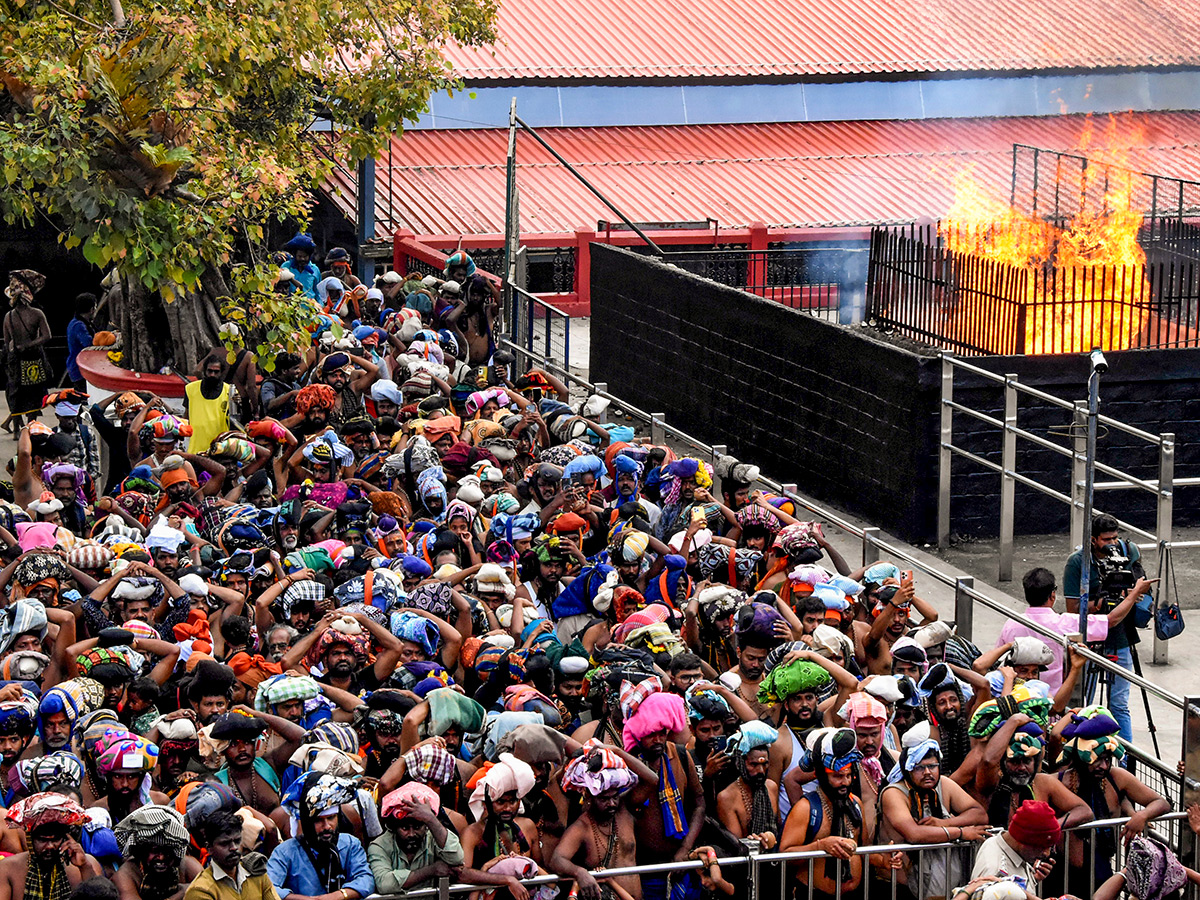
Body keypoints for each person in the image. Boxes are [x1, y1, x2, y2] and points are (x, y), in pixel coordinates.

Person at [1063, 514, 1157, 744]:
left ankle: (1124, 761)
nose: (1113, 545)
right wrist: (1101, 605)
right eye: (1107, 540)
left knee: (1119, 705)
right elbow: (1073, 609)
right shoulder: (1078, 562)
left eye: (1115, 538)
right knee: (1085, 702)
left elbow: (1141, 591)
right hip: (1091, 640)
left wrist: (1131, 596)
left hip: (1122, 637)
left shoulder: (1129, 551)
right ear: (1094, 540)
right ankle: (1082, 752)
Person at [878, 726, 988, 900]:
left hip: (944, 886)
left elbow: (979, 814)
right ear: (908, 769)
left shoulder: (943, 783)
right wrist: (961, 832)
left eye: (932, 766)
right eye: (919, 768)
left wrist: (944, 823)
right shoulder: (894, 793)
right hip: (899, 887)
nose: (927, 773)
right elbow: (914, 834)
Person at [551, 740, 657, 900]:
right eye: (604, 799)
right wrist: (579, 873)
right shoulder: (582, 826)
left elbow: (652, 780)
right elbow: (557, 859)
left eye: (614, 796)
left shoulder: (624, 807)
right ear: (589, 797)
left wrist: (616, 751)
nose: (612, 803)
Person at [778, 728, 865, 900]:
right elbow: (785, 856)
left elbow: (863, 849)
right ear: (821, 776)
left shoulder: (855, 803)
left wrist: (884, 860)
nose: (845, 782)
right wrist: (820, 846)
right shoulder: (805, 809)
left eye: (849, 775)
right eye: (837, 776)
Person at [268, 772, 375, 899]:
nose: (327, 826)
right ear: (307, 823)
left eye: (331, 818)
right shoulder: (285, 852)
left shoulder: (350, 844)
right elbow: (270, 887)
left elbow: (366, 879)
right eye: (318, 820)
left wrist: (339, 895)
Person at [0, 793, 103, 900]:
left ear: (65, 838)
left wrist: (85, 867)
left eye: (55, 839)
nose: (49, 846)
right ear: (30, 840)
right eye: (42, 840)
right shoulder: (7, 869)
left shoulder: (87, 864)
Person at [369, 783, 463, 893]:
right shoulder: (379, 846)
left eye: (417, 827)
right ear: (394, 828)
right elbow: (385, 884)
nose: (412, 834)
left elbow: (456, 858)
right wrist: (431, 870)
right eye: (405, 828)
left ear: (426, 826)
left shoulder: (434, 837)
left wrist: (431, 819)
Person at [183, 810, 280, 900]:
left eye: (237, 841)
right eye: (225, 843)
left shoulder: (256, 871)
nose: (234, 847)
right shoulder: (201, 890)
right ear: (209, 848)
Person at [112, 805, 201, 900]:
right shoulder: (127, 875)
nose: (161, 857)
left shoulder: (187, 866)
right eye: (155, 851)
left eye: (167, 851)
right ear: (142, 851)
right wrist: (182, 893)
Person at [970, 800, 1060, 889]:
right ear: (1022, 840)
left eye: (1050, 847)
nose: (1046, 854)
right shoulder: (995, 871)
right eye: (1041, 847)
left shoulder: (1002, 845)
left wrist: (1031, 881)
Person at [3, 270, 52, 432]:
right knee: (34, 395)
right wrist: (30, 345)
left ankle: (17, 428)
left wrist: (16, 350)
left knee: (17, 394)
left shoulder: (8, 317)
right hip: (34, 360)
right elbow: (47, 336)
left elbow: (7, 342)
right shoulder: (37, 314)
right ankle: (31, 426)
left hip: (16, 360)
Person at [184, 354, 233, 455]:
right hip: (195, 450)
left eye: (216, 372)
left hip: (219, 451)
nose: (212, 374)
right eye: (209, 371)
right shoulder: (190, 389)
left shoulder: (230, 392)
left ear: (222, 372)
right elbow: (186, 416)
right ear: (204, 371)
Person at [65, 294, 96, 393]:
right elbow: (89, 343)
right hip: (79, 369)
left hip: (78, 367)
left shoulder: (77, 322)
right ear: (91, 309)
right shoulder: (78, 325)